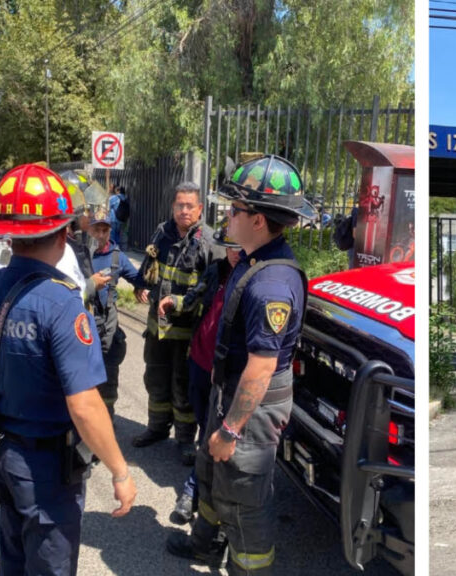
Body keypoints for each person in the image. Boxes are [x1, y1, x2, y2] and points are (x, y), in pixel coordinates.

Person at [0, 163, 136, 574]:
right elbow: (85, 405)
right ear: (61, 233)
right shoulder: (63, 306)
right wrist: (120, 471)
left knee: (14, 555)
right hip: (47, 468)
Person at [167, 154, 315, 574]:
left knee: (245, 496)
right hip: (229, 393)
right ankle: (205, 547)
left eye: (235, 209)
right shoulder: (253, 260)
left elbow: (261, 368)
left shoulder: (270, 284)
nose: (227, 215)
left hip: (251, 405)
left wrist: (231, 429)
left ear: (259, 220)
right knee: (213, 474)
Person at [132, 182, 214, 465]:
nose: (184, 210)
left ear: (200, 208)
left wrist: (181, 303)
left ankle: (184, 440)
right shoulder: (162, 232)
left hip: (187, 331)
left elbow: (209, 285)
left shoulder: (208, 241)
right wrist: (140, 285)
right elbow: (149, 265)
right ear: (173, 207)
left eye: (190, 205)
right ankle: (156, 428)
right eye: (180, 205)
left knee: (183, 383)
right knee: (155, 378)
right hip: (157, 326)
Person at [169, 216, 242, 528]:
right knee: (203, 426)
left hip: (221, 373)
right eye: (229, 248)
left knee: (211, 434)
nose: (233, 253)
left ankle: (191, 492)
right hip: (198, 362)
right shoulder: (217, 271)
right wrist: (174, 301)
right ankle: (200, 482)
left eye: (238, 247)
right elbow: (194, 296)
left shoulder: (252, 280)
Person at [89, 205, 146, 417]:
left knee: (109, 381)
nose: (101, 235)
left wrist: (142, 284)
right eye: (97, 230)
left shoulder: (117, 257)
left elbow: (139, 278)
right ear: (89, 231)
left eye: (105, 230)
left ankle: (108, 420)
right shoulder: (81, 255)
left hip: (108, 333)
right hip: (84, 329)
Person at [109, 185, 130, 250]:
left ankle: (113, 248)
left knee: (112, 234)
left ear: (118, 191)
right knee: (118, 233)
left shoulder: (113, 198)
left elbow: (108, 206)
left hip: (114, 219)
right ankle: (117, 247)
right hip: (122, 220)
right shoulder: (126, 198)